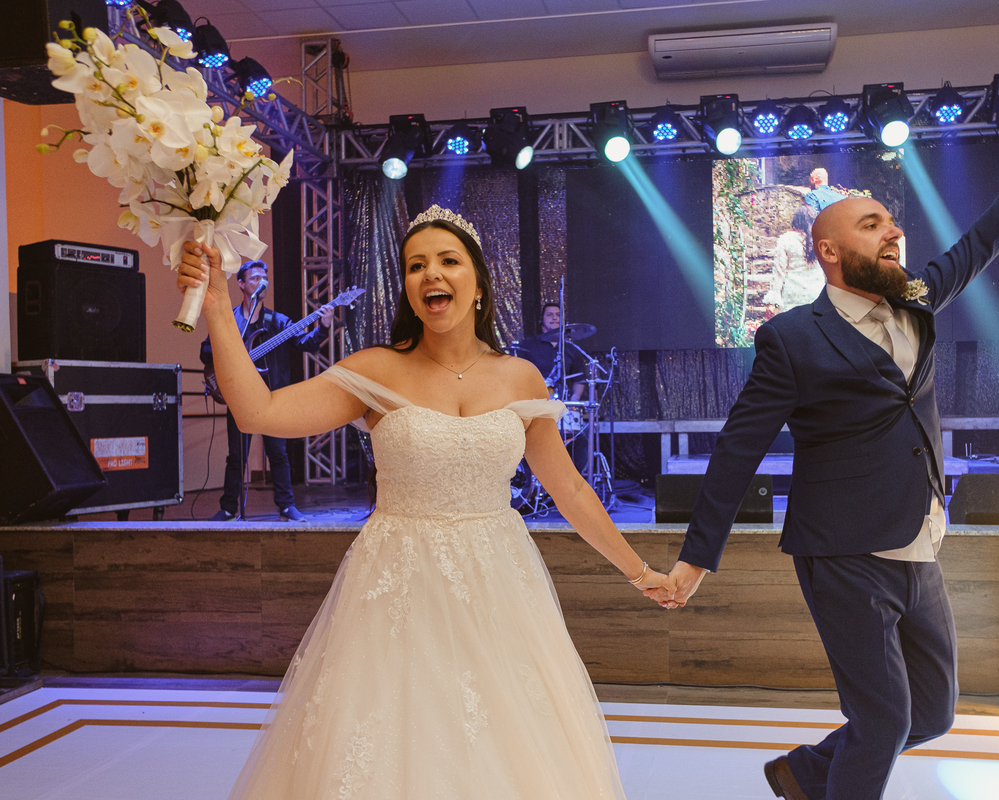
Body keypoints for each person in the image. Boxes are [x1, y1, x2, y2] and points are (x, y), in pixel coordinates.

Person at [649, 78, 999, 800]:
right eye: (872, 224)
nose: (893, 231)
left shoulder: (915, 300)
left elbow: (982, 241)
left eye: (892, 222)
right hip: (843, 551)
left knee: (933, 712)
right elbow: (738, 447)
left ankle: (804, 772)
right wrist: (695, 559)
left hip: (918, 538)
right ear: (828, 250)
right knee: (885, 717)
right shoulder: (791, 338)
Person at [178, 205, 674, 799]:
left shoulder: (520, 377)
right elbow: (259, 411)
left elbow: (569, 488)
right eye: (416, 266)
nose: (430, 274)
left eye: (447, 261)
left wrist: (640, 571)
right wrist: (216, 308)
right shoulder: (376, 370)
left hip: (498, 582)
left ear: (479, 284)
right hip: (397, 583)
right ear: (409, 291)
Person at [201, 260, 333, 522]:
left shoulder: (278, 321)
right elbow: (205, 351)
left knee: (278, 453)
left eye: (264, 278)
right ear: (241, 284)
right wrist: (231, 357)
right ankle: (228, 508)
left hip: (273, 397)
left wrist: (324, 326)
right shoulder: (230, 320)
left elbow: (306, 343)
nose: (261, 282)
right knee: (236, 456)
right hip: (239, 396)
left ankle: (286, 506)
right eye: (254, 278)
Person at [515, 303, 586, 402]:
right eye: (549, 315)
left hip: (561, 402)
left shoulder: (571, 348)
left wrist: (575, 399)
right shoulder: (528, 344)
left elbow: (579, 379)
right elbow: (517, 375)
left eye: (558, 315)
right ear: (541, 319)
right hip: (533, 401)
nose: (554, 318)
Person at [766, 203, 825, 312]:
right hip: (816, 294)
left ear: (795, 220)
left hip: (792, 296)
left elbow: (779, 272)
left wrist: (773, 301)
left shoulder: (785, 239)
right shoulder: (821, 240)